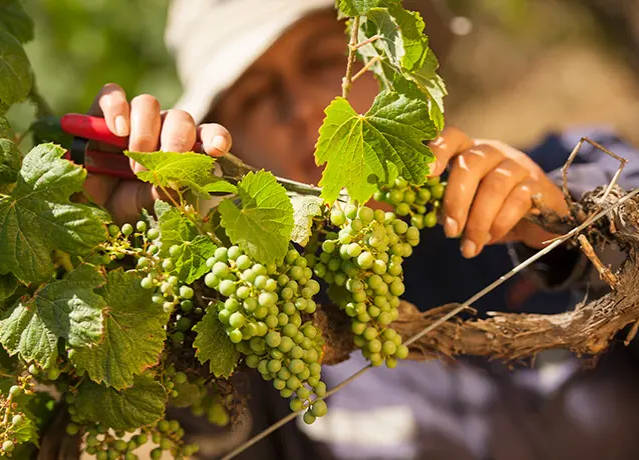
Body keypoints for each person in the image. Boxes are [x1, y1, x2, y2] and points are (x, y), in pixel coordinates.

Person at [83, 1, 639, 459]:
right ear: (233, 145)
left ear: (398, 75)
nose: (299, 108)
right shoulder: (268, 321)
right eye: (253, 97)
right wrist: (124, 278)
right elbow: (197, 432)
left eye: (325, 59)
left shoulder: (579, 164)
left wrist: (575, 225)